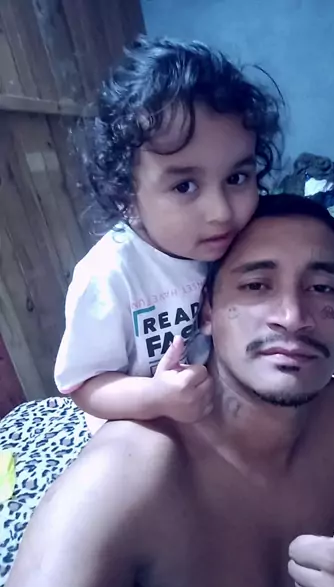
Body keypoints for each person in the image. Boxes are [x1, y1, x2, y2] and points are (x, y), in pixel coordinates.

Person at [2, 194, 334, 587]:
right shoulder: (127, 475)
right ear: (207, 313)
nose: (293, 316)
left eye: (322, 288)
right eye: (256, 285)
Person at [54, 36, 282, 426]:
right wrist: (156, 398)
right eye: (184, 186)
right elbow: (85, 385)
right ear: (125, 194)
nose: (221, 212)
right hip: (139, 427)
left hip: (213, 410)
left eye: (236, 177)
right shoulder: (109, 276)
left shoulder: (243, 240)